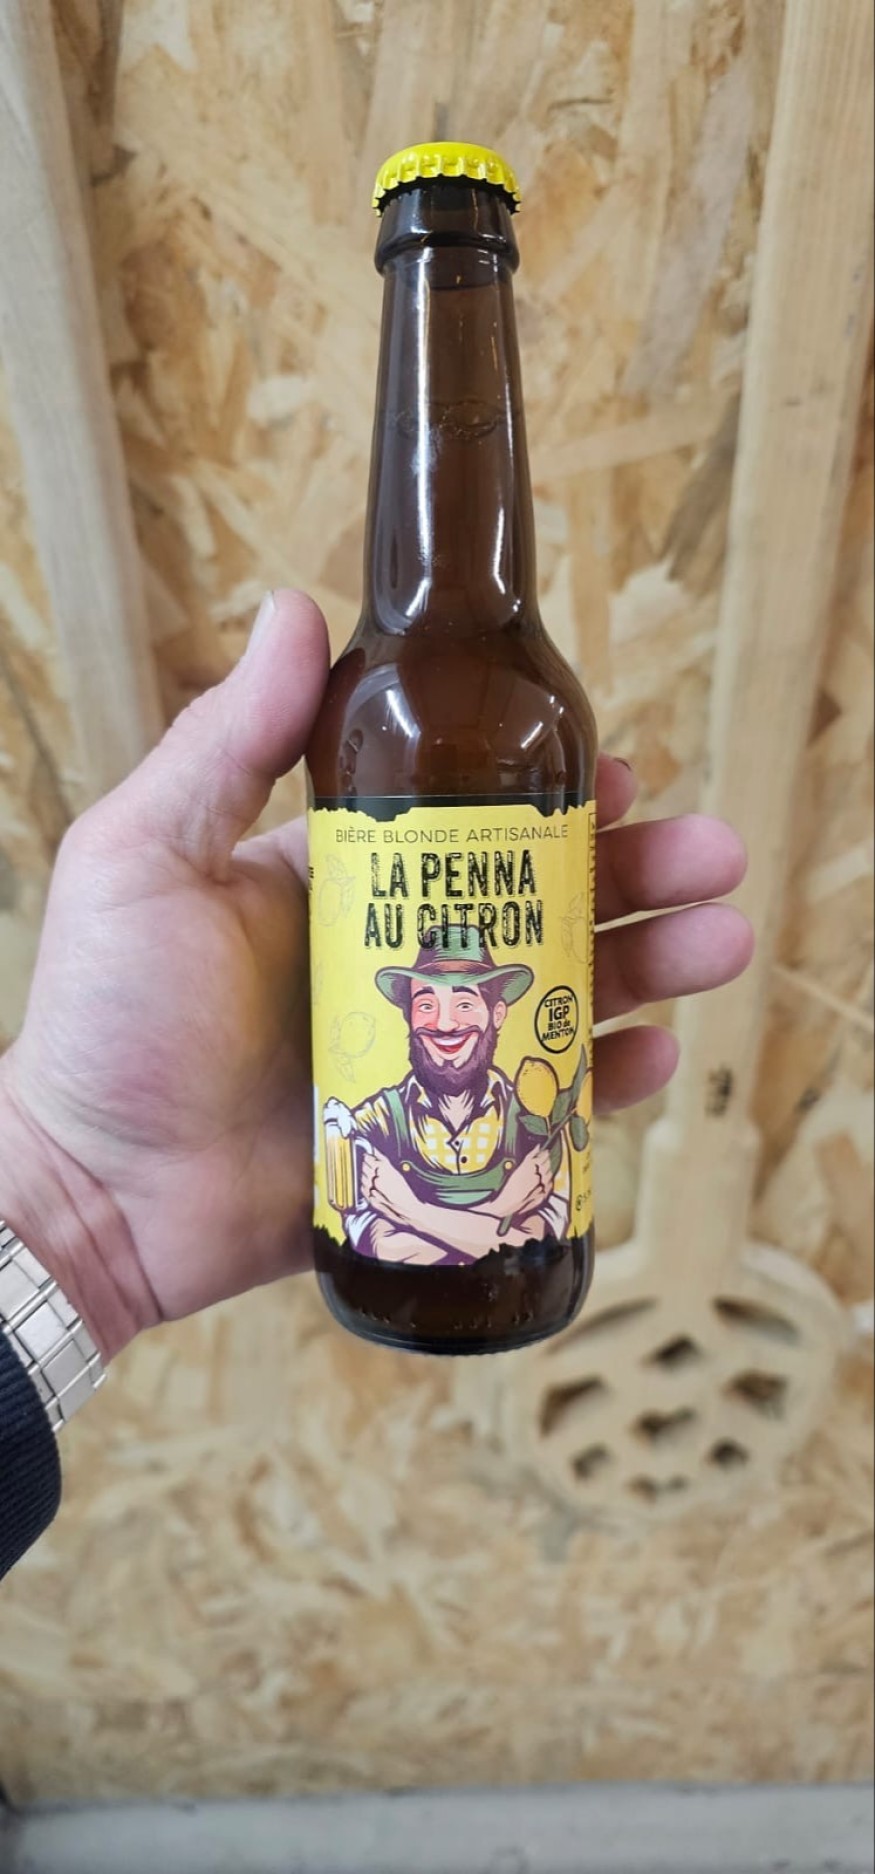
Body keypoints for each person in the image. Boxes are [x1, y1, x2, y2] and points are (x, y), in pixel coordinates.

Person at [0, 590, 753, 1577]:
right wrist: (59, 1170)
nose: (447, 1021)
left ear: (496, 1013)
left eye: (468, 1001)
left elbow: (427, 1212)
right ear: (404, 1013)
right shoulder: (369, 1119)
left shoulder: (532, 1112)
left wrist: (414, 1213)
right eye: (427, 1002)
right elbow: (397, 1211)